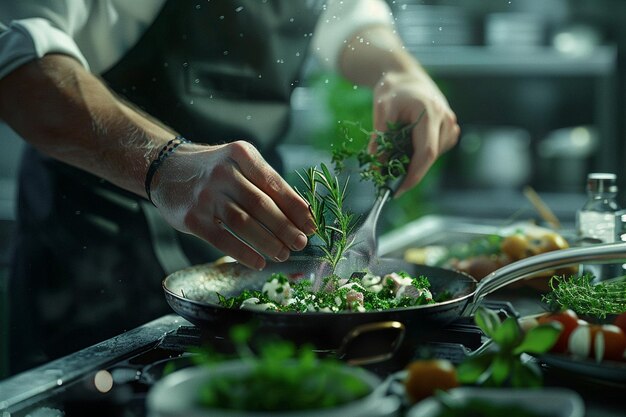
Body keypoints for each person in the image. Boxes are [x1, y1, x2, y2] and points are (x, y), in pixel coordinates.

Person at [0, 0, 459, 374]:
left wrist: (397, 68)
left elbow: (348, 17)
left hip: (243, 257)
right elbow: (17, 56)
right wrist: (166, 163)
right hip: (94, 262)